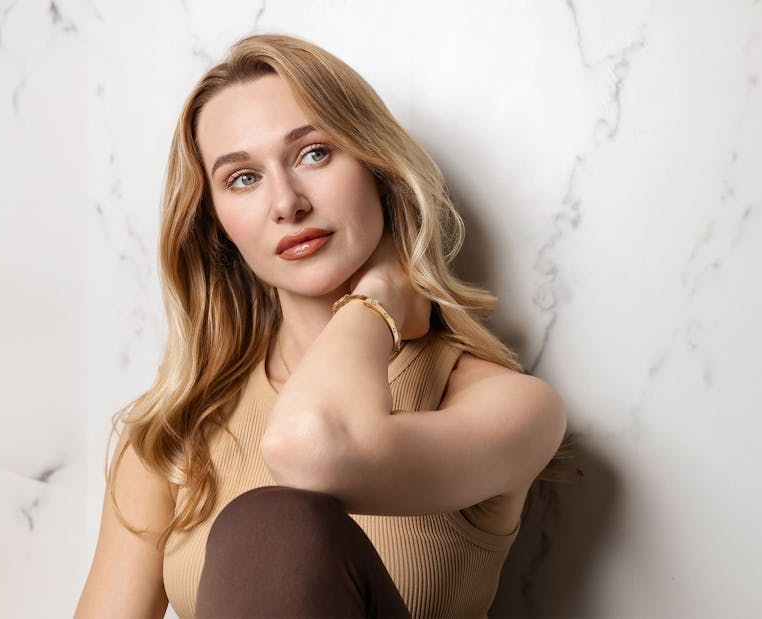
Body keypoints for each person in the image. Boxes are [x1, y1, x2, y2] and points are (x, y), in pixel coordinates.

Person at [75, 33, 567, 619]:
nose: (287, 203)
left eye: (314, 153)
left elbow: (309, 450)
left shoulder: (507, 406)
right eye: (242, 178)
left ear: (378, 170)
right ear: (218, 228)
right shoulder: (173, 438)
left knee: (275, 528)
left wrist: (376, 298)